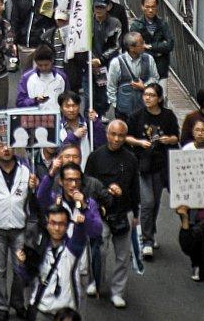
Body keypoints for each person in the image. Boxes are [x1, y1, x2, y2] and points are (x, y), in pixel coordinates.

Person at [85, 119, 140, 307]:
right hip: (100, 212)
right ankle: (95, 281)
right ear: (107, 134)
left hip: (124, 211)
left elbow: (135, 187)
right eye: (113, 134)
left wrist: (136, 214)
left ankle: (118, 291)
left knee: (122, 255)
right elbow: (88, 185)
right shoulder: (95, 157)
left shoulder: (131, 159)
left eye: (121, 135)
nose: (116, 139)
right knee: (99, 250)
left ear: (126, 137)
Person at [0, 139, 35, 320]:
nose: (5, 149)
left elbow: (36, 196)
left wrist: (35, 186)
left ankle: (18, 302)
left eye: (8, 145)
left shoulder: (26, 169)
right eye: (0, 147)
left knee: (21, 268)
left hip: (20, 225)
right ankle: (2, 306)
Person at [125, 82, 179, 257]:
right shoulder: (136, 116)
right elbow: (127, 137)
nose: (147, 98)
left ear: (160, 98)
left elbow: (175, 137)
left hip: (161, 164)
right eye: (146, 94)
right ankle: (147, 240)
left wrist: (167, 140)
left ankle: (151, 231)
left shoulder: (168, 116)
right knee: (147, 202)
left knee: (155, 202)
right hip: (141, 164)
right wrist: (139, 142)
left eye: (152, 95)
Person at [17, 204, 88, 320]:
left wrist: (80, 223)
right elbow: (28, 277)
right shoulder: (38, 248)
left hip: (66, 315)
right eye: (53, 223)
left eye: (61, 224)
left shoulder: (72, 249)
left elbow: (80, 236)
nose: (57, 228)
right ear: (47, 224)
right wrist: (22, 263)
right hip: (41, 311)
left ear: (67, 225)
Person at [129, 0, 174, 98]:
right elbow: (135, 47)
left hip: (161, 68)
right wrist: (159, 48)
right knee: (145, 98)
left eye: (153, 7)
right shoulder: (136, 25)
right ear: (142, 7)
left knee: (162, 98)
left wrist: (150, 46)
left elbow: (170, 45)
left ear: (157, 7)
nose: (150, 10)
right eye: (147, 7)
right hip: (143, 69)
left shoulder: (163, 24)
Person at [107, 32, 160, 120]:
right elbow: (111, 86)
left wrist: (145, 86)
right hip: (123, 111)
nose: (144, 46)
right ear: (131, 48)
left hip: (144, 108)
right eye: (141, 44)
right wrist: (115, 105)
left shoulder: (149, 59)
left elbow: (155, 77)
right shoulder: (116, 63)